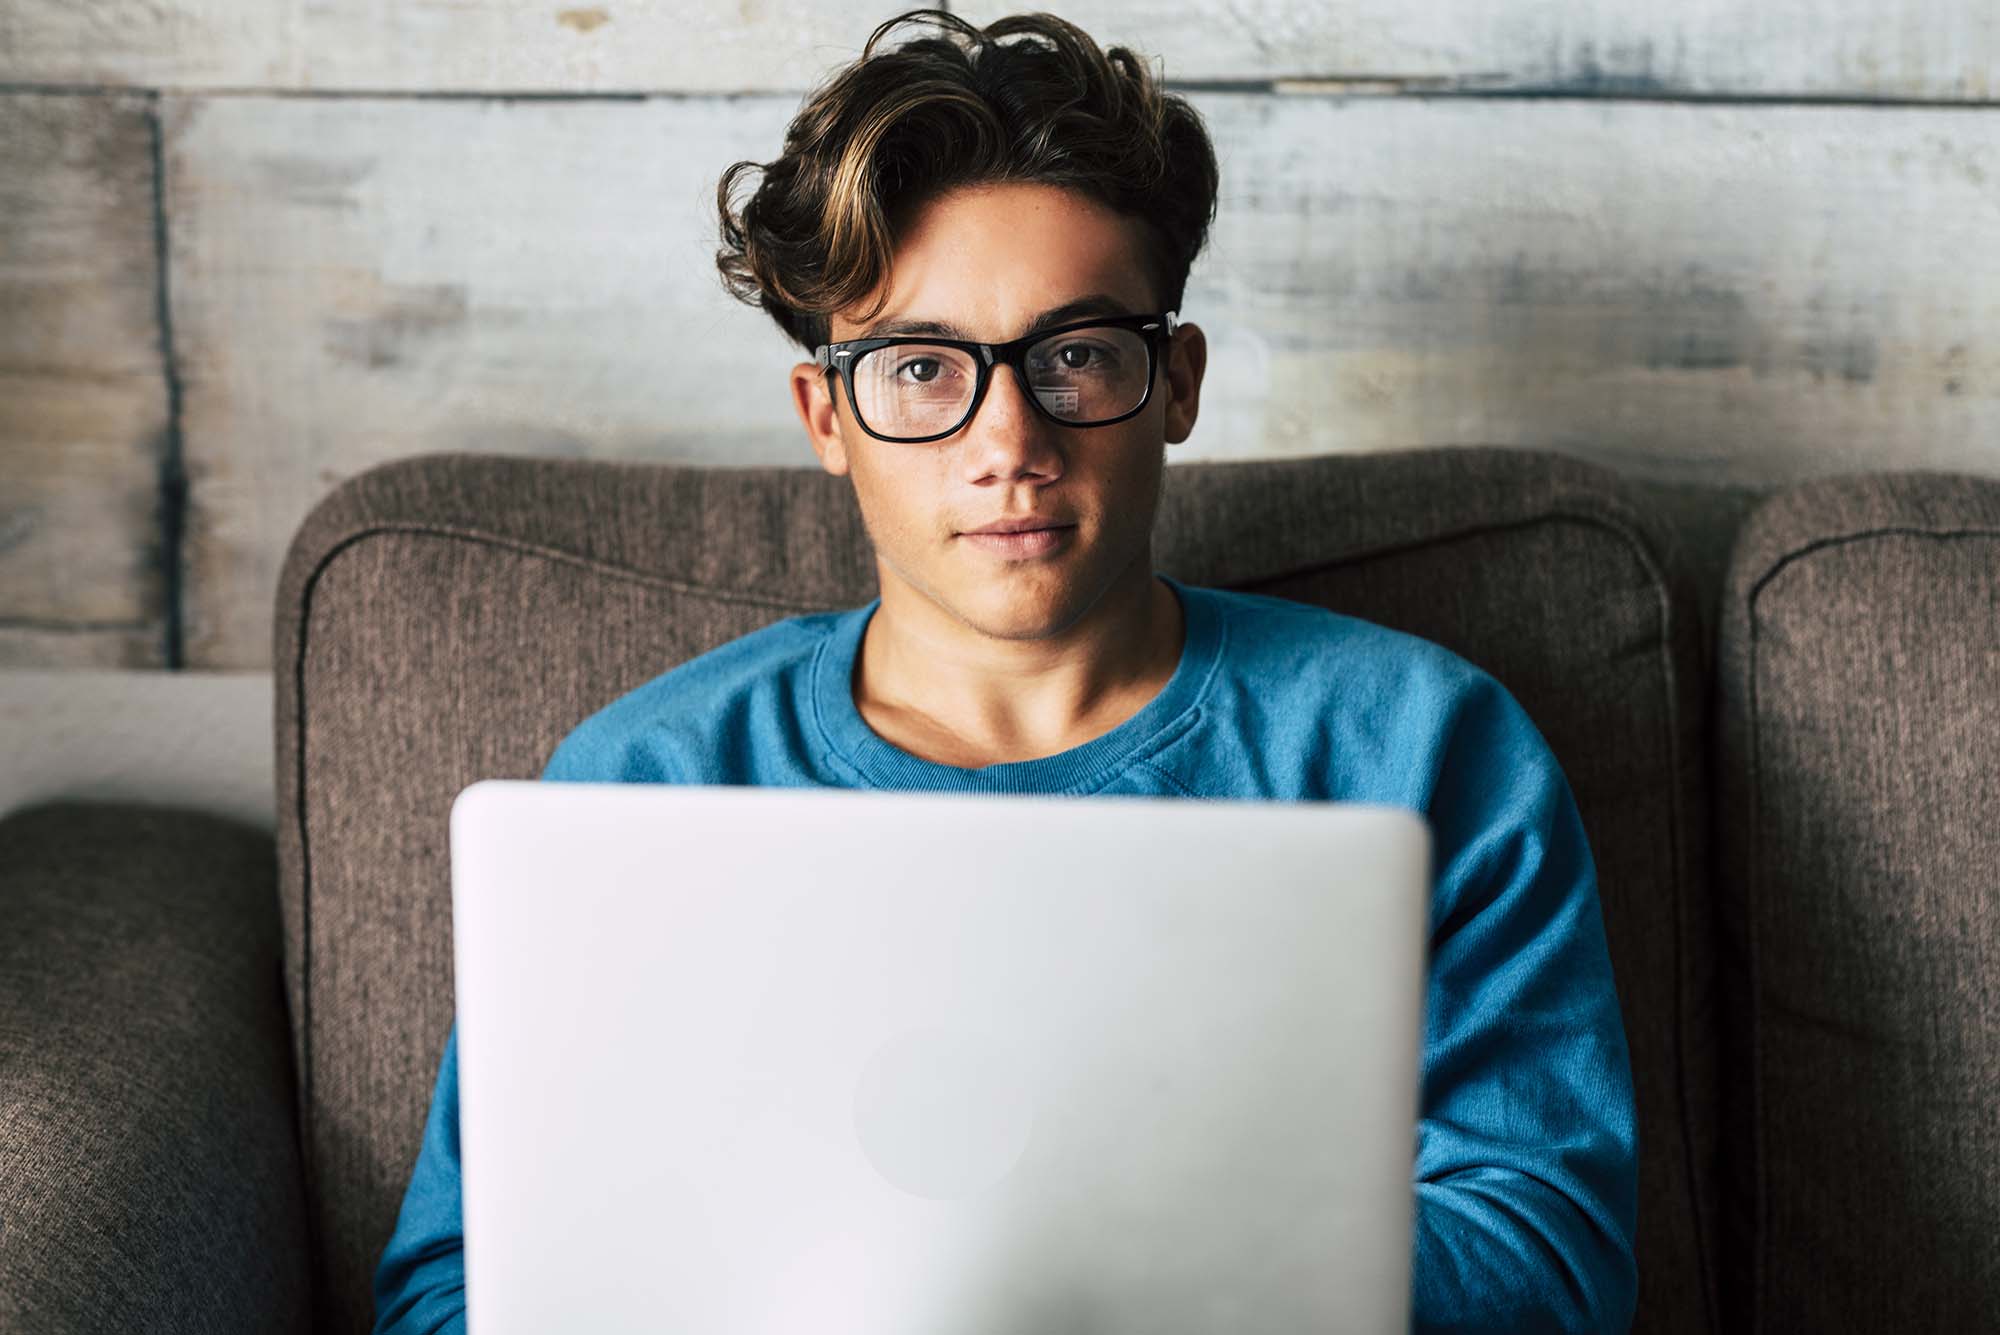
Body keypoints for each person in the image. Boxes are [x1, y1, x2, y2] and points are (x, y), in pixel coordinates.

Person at [372, 10, 1638, 1332]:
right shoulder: (635, 788)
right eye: (920, 369)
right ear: (827, 420)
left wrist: (1061, 1280)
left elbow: (1552, 1262)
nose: (1008, 442)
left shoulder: (1423, 747)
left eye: (1077, 356)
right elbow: (452, 1293)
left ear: (1178, 383)